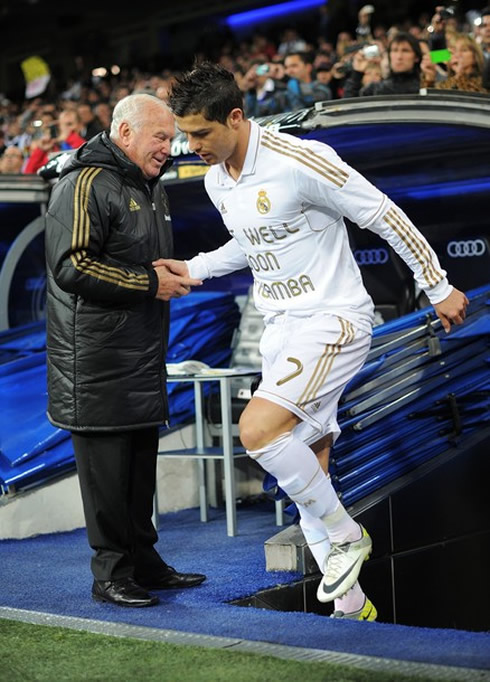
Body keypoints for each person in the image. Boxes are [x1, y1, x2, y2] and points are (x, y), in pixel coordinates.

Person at [165, 61, 468, 621]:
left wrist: (437, 284)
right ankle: (352, 606)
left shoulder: (300, 160)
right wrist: (194, 268)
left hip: (333, 321)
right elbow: (250, 245)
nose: (192, 144)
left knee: (256, 431)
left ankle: (347, 535)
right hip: (281, 330)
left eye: (201, 132)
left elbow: (382, 213)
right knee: (307, 469)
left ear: (235, 117)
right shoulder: (215, 181)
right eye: (185, 133)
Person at [44, 93, 205, 608]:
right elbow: (71, 266)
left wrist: (166, 276)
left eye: (171, 136)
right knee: (108, 475)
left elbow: (145, 265)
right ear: (125, 132)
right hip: (95, 361)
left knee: (138, 467)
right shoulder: (84, 182)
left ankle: (143, 562)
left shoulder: (149, 186)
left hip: (138, 354)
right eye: (160, 136)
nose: (169, 146)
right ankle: (109, 574)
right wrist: (147, 284)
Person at [342, 32, 422, 98]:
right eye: (394, 50)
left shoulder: (424, 89)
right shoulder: (374, 89)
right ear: (389, 55)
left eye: (405, 51)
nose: (399, 56)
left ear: (416, 57)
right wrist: (357, 74)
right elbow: (347, 110)